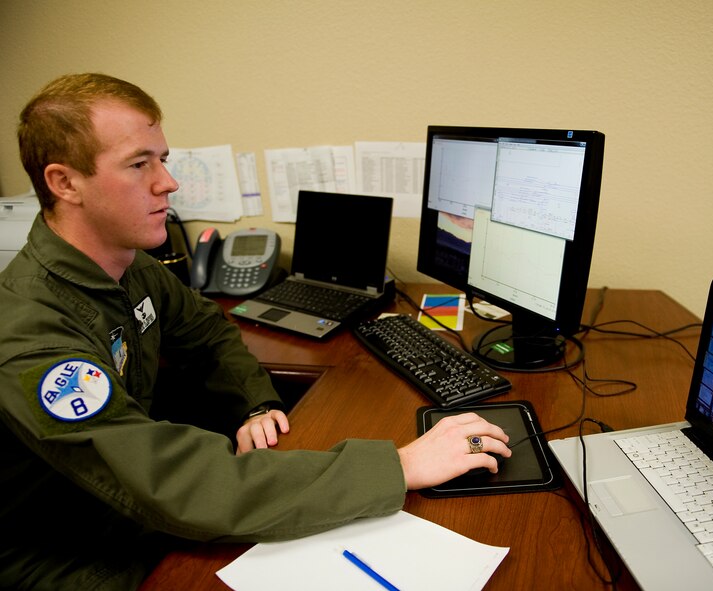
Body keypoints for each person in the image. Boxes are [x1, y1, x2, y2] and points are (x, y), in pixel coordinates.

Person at [0, 73, 511, 590]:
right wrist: (398, 467)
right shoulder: (28, 331)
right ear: (65, 183)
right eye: (139, 164)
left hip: (138, 516)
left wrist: (255, 405)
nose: (167, 183)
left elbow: (208, 333)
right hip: (70, 555)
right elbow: (172, 484)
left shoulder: (130, 267)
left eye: (163, 159)